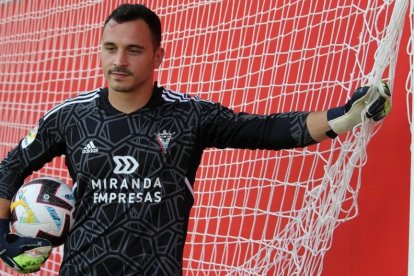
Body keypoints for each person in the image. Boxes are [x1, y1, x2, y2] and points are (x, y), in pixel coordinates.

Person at [0, 3, 391, 276]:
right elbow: (10, 168)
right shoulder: (71, 116)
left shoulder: (189, 115)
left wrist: (345, 116)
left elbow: (265, 130)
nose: (118, 61)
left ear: (158, 56)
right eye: (110, 48)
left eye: (133, 50)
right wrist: (3, 239)